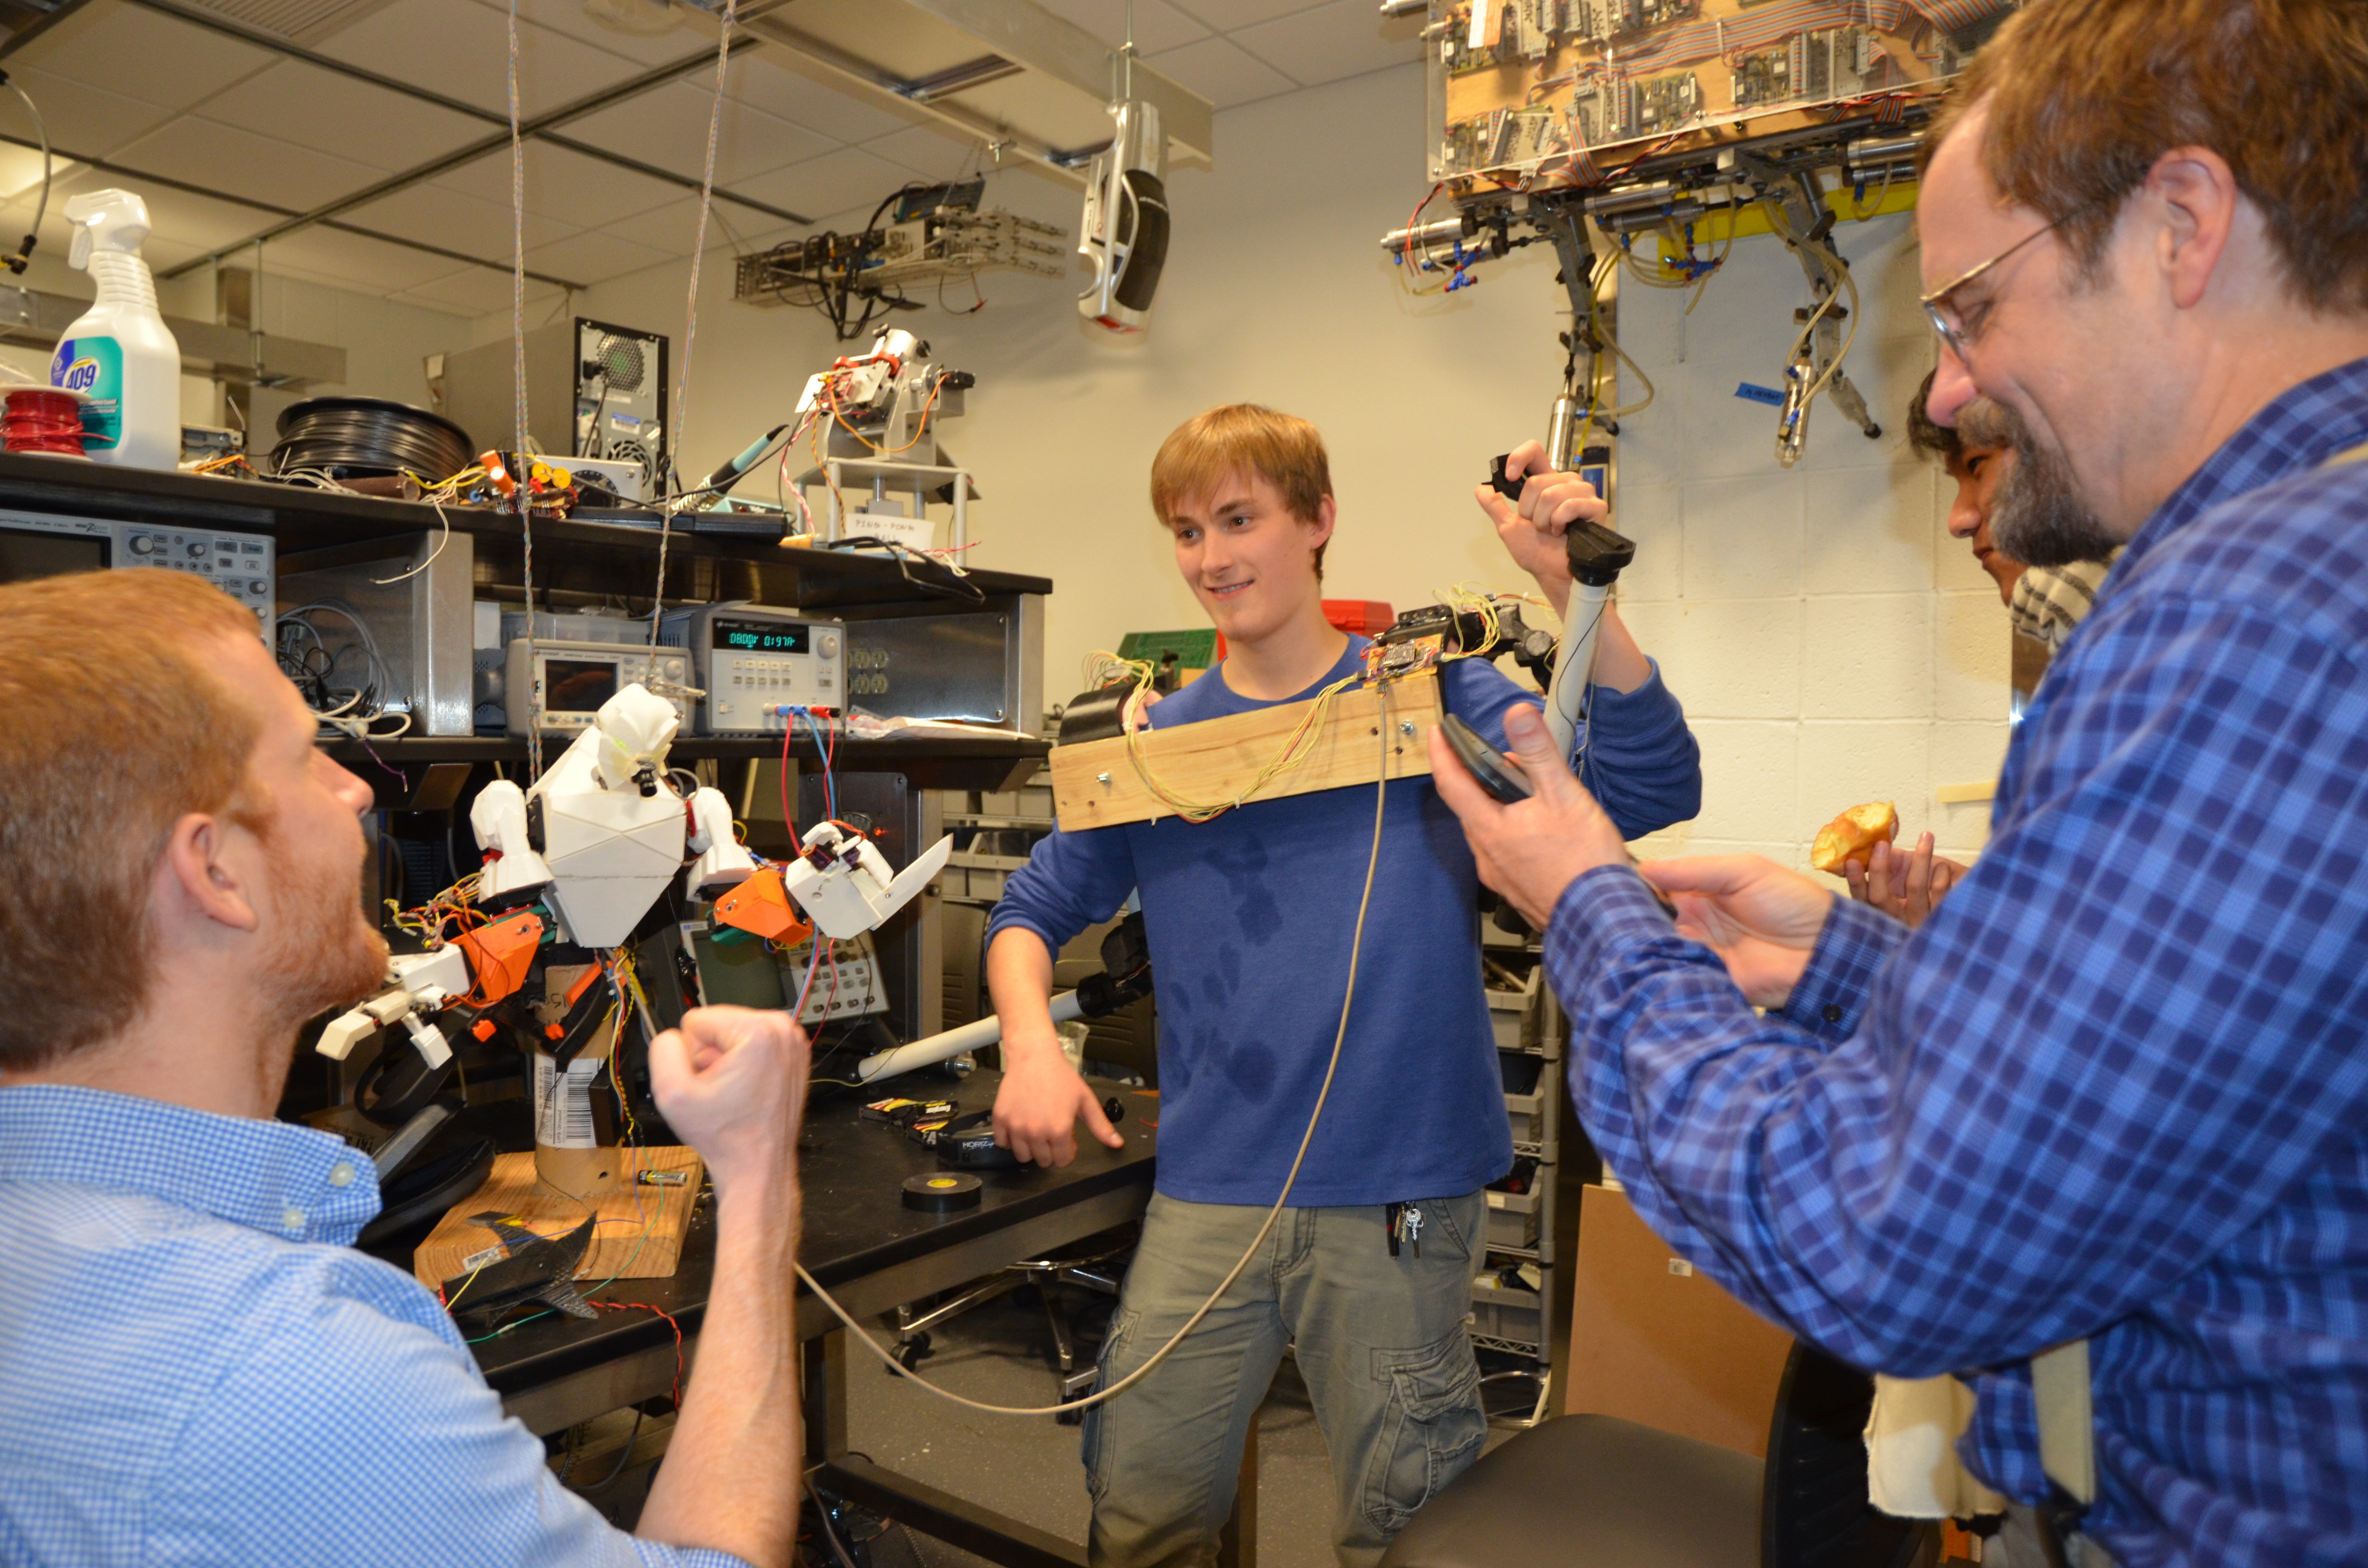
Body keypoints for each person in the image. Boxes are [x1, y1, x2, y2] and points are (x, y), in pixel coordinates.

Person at [1427, 2, 2368, 1564]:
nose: (1944, 397)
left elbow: (1886, 1242)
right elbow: (2143, 1083)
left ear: (2179, 227)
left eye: (1967, 311)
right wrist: (1837, 964)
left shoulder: (2255, 608)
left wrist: (1592, 918)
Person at [987, 405, 1701, 1567]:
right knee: (1143, 1507)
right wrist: (1030, 1047)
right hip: (1213, 1188)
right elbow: (1028, 915)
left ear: (1317, 521)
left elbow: (1649, 785)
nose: (1212, 556)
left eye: (1238, 518)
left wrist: (1587, 598)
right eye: (1185, 530)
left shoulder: (1429, 698)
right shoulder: (1158, 746)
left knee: (1404, 1528)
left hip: (1397, 1194)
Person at [0, 570, 811, 1568]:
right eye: (306, 758)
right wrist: (760, 1173)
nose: (354, 787)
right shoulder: (300, 1374)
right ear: (214, 872)